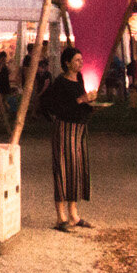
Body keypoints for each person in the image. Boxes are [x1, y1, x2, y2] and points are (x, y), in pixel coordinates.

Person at [42, 46, 97, 232]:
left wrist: (90, 103)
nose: (80, 63)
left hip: (79, 129)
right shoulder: (60, 83)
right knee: (63, 170)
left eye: (81, 60)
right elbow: (56, 107)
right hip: (65, 129)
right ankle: (61, 216)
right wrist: (80, 100)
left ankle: (74, 214)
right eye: (76, 60)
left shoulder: (79, 79)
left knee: (77, 170)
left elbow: (81, 104)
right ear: (67, 63)